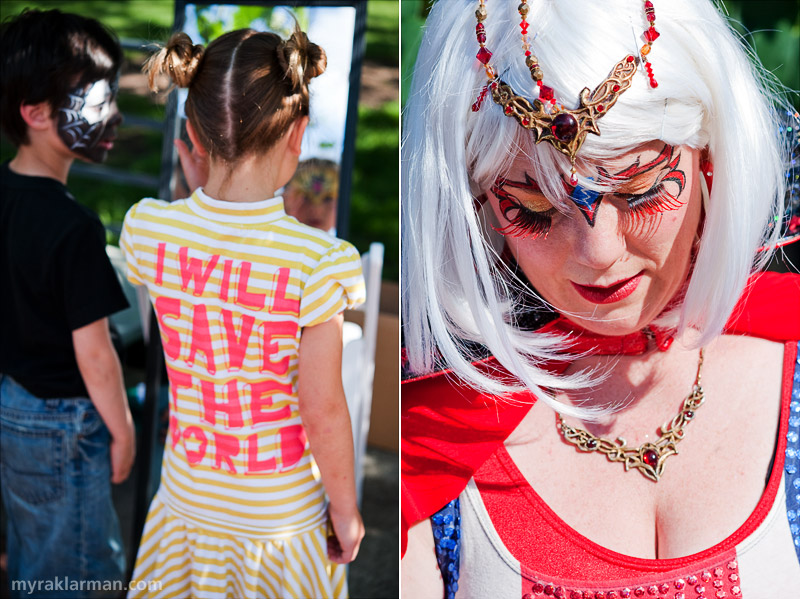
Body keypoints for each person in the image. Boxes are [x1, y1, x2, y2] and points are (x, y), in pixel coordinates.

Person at [401, 0, 800, 596]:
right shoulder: (431, 440)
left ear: (710, 159)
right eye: (532, 210)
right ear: (479, 201)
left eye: (640, 191)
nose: (599, 252)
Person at [121, 26, 366, 599]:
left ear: (191, 135)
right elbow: (322, 407)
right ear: (298, 134)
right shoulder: (317, 263)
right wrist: (347, 508)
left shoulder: (149, 230)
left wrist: (196, 194)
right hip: (278, 527)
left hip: (185, 509)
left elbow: (190, 287)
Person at [0, 8, 134, 598]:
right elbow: (96, 354)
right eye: (96, 100)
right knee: (77, 570)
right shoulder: (74, 228)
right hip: (65, 425)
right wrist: (123, 429)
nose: (114, 114)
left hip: (12, 404)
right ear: (35, 113)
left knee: (36, 552)